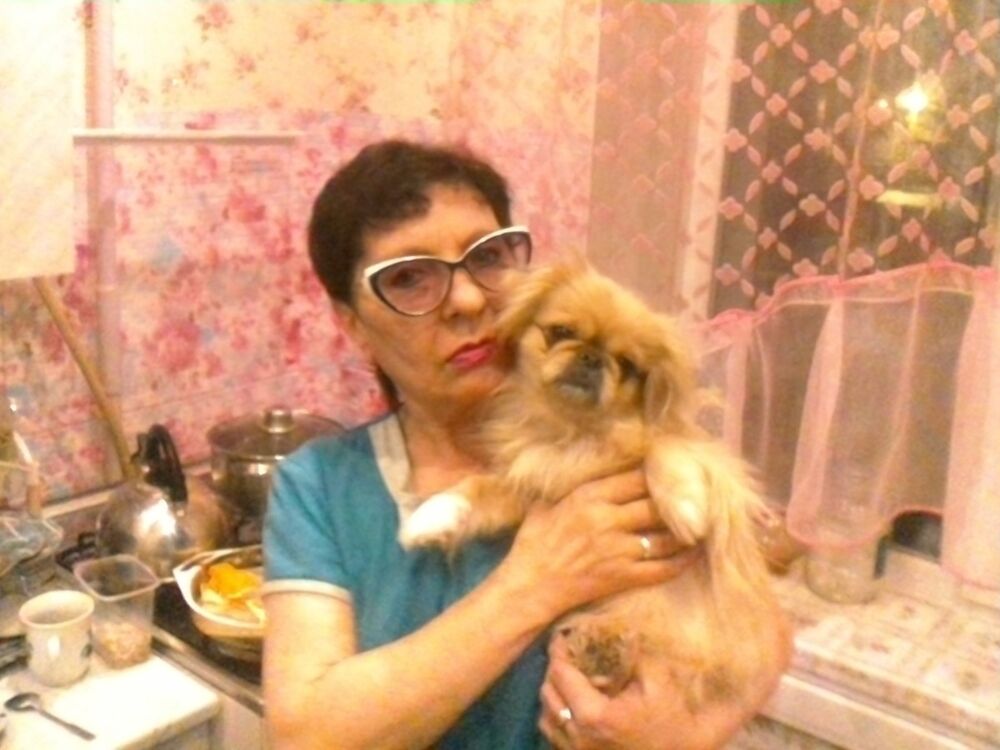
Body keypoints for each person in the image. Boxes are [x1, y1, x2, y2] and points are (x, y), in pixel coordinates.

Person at [261, 139, 789, 750]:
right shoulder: (319, 486)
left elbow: (759, 617)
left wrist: (687, 731)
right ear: (351, 321)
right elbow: (306, 736)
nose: (467, 300)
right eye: (408, 278)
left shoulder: (629, 445)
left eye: (486, 257)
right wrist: (536, 582)